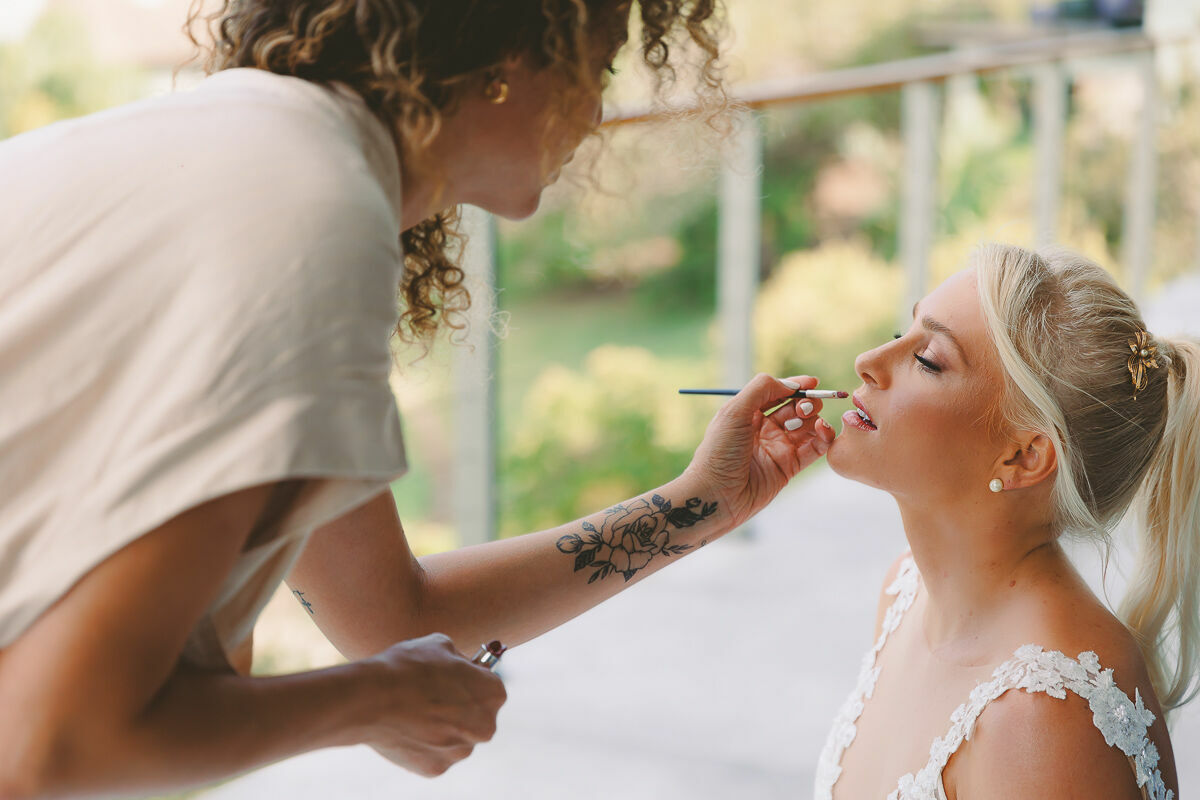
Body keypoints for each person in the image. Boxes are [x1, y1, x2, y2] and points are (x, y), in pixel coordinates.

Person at [0, 1, 839, 797]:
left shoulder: (246, 152)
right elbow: (53, 740)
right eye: (603, 61)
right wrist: (371, 704)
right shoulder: (304, 227)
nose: (596, 112)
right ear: (516, 52)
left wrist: (700, 505)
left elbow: (395, 618)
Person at [812, 243, 1196, 799]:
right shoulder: (906, 593)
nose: (869, 360)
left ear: (1024, 457)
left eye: (928, 360)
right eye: (905, 329)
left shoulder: (1044, 717)